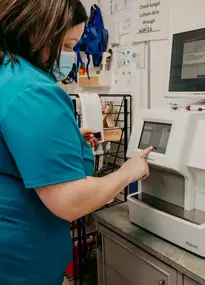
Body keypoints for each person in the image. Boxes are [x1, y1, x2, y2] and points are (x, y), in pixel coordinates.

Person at [0, 1, 152, 284]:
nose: (71, 56)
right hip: (20, 262)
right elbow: (70, 200)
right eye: (68, 46)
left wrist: (66, 141)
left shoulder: (8, 73)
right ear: (37, 34)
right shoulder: (33, 90)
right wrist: (128, 171)